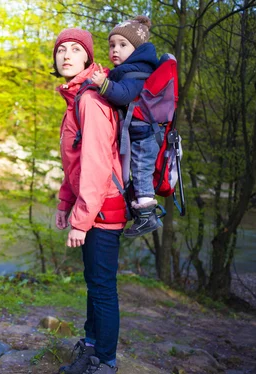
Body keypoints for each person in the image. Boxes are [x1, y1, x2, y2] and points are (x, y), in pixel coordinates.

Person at [53, 28, 126, 374]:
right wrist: (65, 203)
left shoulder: (90, 101)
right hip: (92, 207)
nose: (66, 55)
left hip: (102, 209)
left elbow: (97, 166)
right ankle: (92, 349)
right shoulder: (76, 98)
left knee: (102, 289)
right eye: (60, 50)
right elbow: (75, 163)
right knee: (94, 285)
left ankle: (106, 367)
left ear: (87, 58)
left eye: (74, 50)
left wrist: (80, 219)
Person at [90, 16, 160, 238]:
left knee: (141, 170)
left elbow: (124, 95)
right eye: (112, 45)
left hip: (144, 133)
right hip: (138, 131)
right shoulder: (130, 68)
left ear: (137, 49)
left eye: (122, 45)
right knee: (135, 171)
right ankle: (138, 211)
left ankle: (147, 216)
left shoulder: (137, 70)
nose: (115, 50)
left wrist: (104, 85)